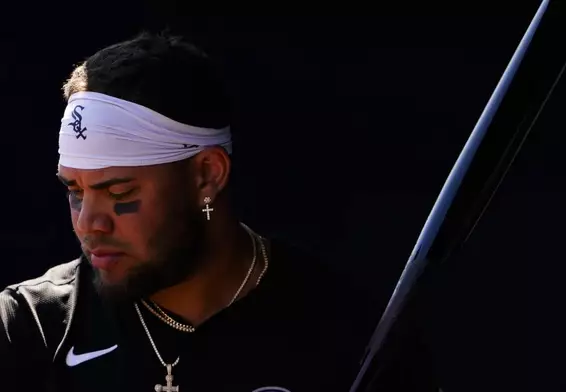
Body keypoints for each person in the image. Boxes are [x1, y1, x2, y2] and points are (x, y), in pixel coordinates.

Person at [0, 32, 376, 392]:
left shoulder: (350, 331)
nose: (88, 224)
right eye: (75, 191)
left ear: (207, 176)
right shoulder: (30, 325)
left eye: (119, 191)